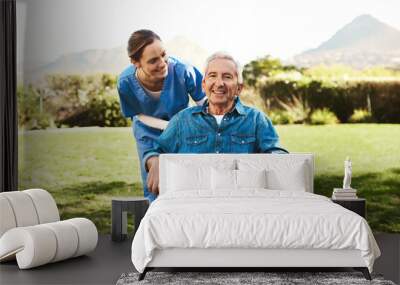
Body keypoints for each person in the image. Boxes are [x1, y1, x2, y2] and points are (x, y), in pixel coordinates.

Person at [144, 52, 288, 195]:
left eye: (227, 77)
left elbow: (276, 155)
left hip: (242, 203)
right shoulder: (182, 120)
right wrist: (155, 161)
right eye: (212, 76)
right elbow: (155, 151)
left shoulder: (256, 119)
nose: (219, 83)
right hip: (194, 205)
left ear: (239, 88)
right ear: (203, 84)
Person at [117, 30, 206, 202]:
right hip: (148, 133)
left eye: (163, 55)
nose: (162, 63)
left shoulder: (183, 70)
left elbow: (204, 102)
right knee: (156, 185)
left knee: (187, 183)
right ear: (136, 62)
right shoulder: (125, 83)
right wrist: (156, 157)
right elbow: (138, 114)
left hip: (183, 133)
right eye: (152, 61)